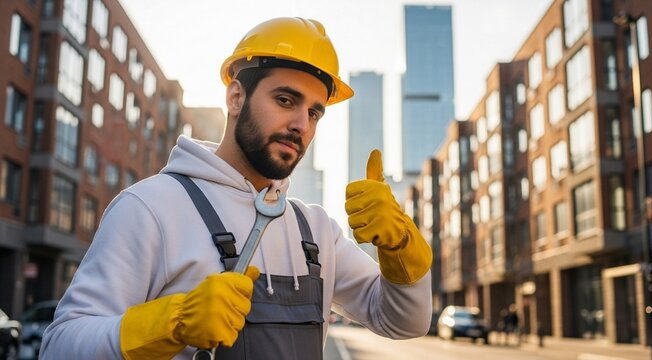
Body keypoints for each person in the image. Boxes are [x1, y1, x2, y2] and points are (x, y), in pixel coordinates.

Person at [41, 17, 432, 359]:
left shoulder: (315, 231)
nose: (302, 124)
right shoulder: (150, 208)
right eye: (285, 99)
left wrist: (400, 246)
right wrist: (170, 324)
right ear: (235, 97)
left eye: (314, 112)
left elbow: (404, 321)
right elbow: (59, 346)